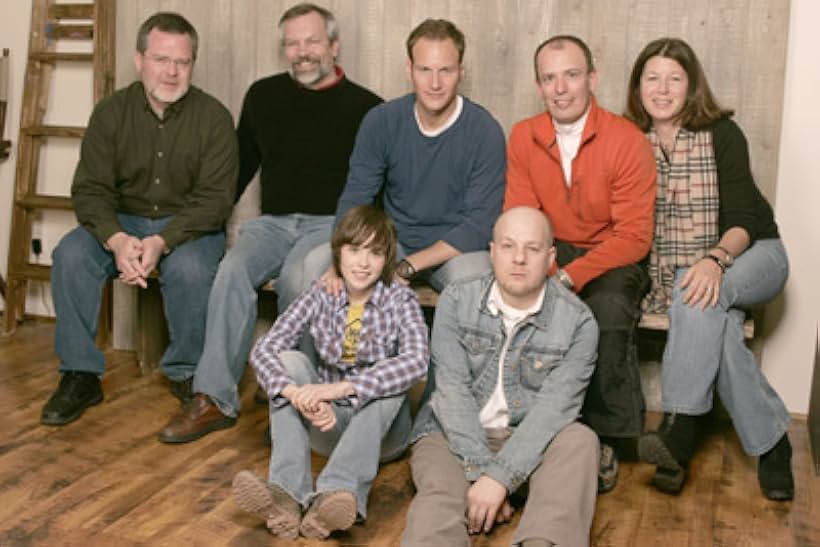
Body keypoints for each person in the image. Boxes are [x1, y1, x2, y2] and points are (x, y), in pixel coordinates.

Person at [157, 3, 382, 443]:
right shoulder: (263, 96)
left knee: (302, 277)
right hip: (272, 223)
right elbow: (236, 173)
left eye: (312, 41)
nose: (302, 52)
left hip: (328, 226)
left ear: (334, 46)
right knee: (231, 270)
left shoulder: (367, 108)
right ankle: (215, 398)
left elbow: (375, 189)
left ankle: (290, 392)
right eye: (292, 43)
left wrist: (353, 242)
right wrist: (190, 232)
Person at [40, 13, 237, 426]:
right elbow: (90, 189)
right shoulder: (110, 113)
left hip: (188, 228)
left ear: (192, 65)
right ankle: (80, 374)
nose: (171, 71)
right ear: (139, 59)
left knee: (191, 268)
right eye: (161, 59)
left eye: (182, 62)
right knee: (70, 255)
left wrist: (162, 240)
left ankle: (187, 374)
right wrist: (115, 238)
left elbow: (215, 201)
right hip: (121, 222)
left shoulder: (215, 118)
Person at [625, 37, 793, 501]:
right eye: (652, 78)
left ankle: (678, 433)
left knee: (696, 288)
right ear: (637, 87)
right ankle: (774, 443)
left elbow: (742, 219)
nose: (662, 89)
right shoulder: (628, 140)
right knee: (706, 312)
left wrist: (715, 261)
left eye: (674, 79)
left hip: (753, 253)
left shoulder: (722, 132)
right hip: (689, 276)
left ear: (691, 85)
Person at [504, 35, 657, 493]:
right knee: (520, 304)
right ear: (539, 85)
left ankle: (607, 437)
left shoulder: (626, 140)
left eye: (571, 75)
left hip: (613, 252)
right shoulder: (524, 135)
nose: (561, 88)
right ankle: (524, 429)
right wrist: (541, 270)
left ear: (592, 77)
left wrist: (569, 276)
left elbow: (634, 236)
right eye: (549, 78)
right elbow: (523, 216)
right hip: (549, 248)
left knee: (605, 314)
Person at [402, 207, 599, 547]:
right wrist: (485, 475)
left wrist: (500, 477)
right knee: (439, 498)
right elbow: (451, 393)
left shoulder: (579, 323)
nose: (519, 258)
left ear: (550, 257)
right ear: (492, 252)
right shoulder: (456, 299)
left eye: (532, 249)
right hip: (451, 434)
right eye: (508, 246)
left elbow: (554, 410)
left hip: (527, 439)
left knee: (580, 442)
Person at [232, 205, 429, 540]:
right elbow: (265, 348)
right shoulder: (321, 292)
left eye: (375, 253)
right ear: (339, 251)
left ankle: (336, 494)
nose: (363, 263)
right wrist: (295, 392)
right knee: (290, 362)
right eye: (354, 250)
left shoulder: (400, 300)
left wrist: (339, 389)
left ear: (387, 259)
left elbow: (417, 360)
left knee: (388, 376)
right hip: (326, 424)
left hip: (380, 435)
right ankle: (287, 497)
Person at [321, 18, 506, 293]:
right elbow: (356, 195)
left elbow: (479, 225)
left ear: (461, 72)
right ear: (409, 70)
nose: (435, 83)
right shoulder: (381, 121)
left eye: (446, 70)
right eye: (424, 70)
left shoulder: (484, 131)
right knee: (316, 269)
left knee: (475, 281)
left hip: (454, 251)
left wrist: (409, 265)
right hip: (390, 243)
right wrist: (340, 259)